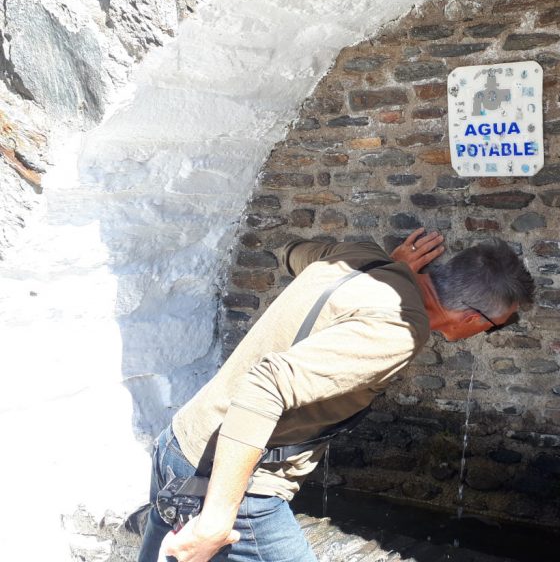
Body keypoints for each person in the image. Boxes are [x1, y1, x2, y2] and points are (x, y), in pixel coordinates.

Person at [138, 228, 535, 562]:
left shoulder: (361, 254)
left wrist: (388, 266)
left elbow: (292, 253)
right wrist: (217, 519)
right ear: (470, 318)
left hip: (182, 441)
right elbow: (266, 384)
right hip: (233, 481)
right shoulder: (401, 330)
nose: (486, 333)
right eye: (494, 326)